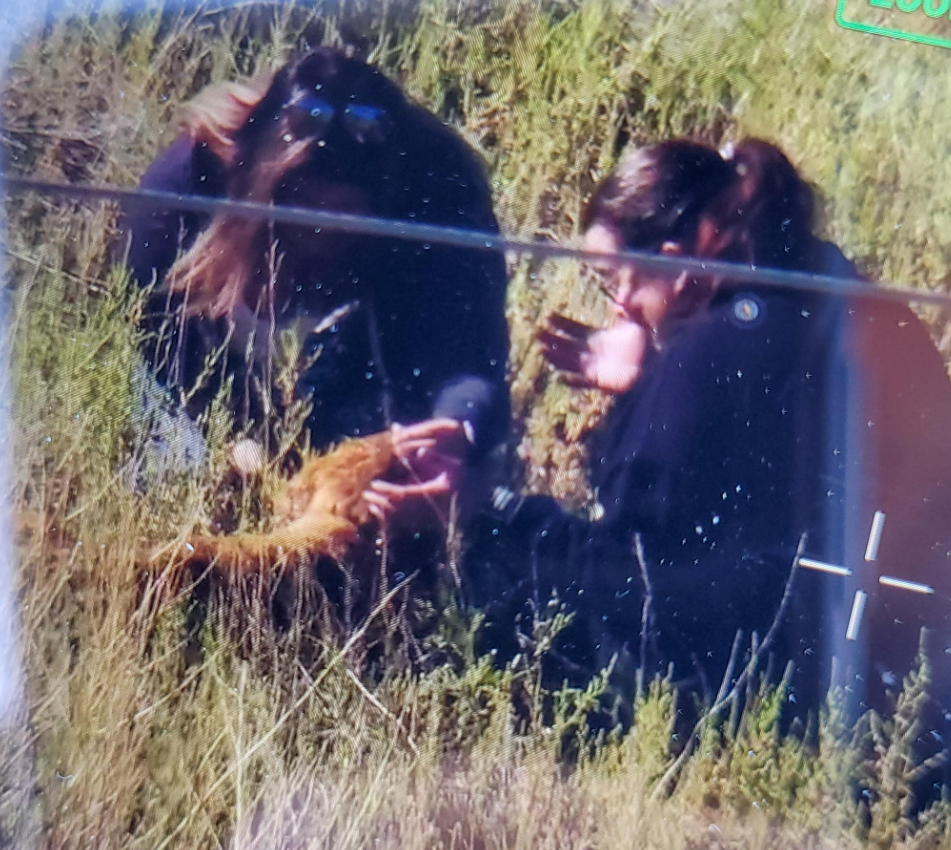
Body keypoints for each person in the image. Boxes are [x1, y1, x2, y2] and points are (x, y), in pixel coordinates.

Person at [470, 139, 951, 779]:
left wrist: (496, 518)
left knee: (503, 584)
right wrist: (652, 372)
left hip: (789, 688)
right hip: (905, 660)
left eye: (615, 281)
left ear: (676, 259)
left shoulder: (713, 355)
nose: (617, 308)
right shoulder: (833, 289)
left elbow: (633, 562)